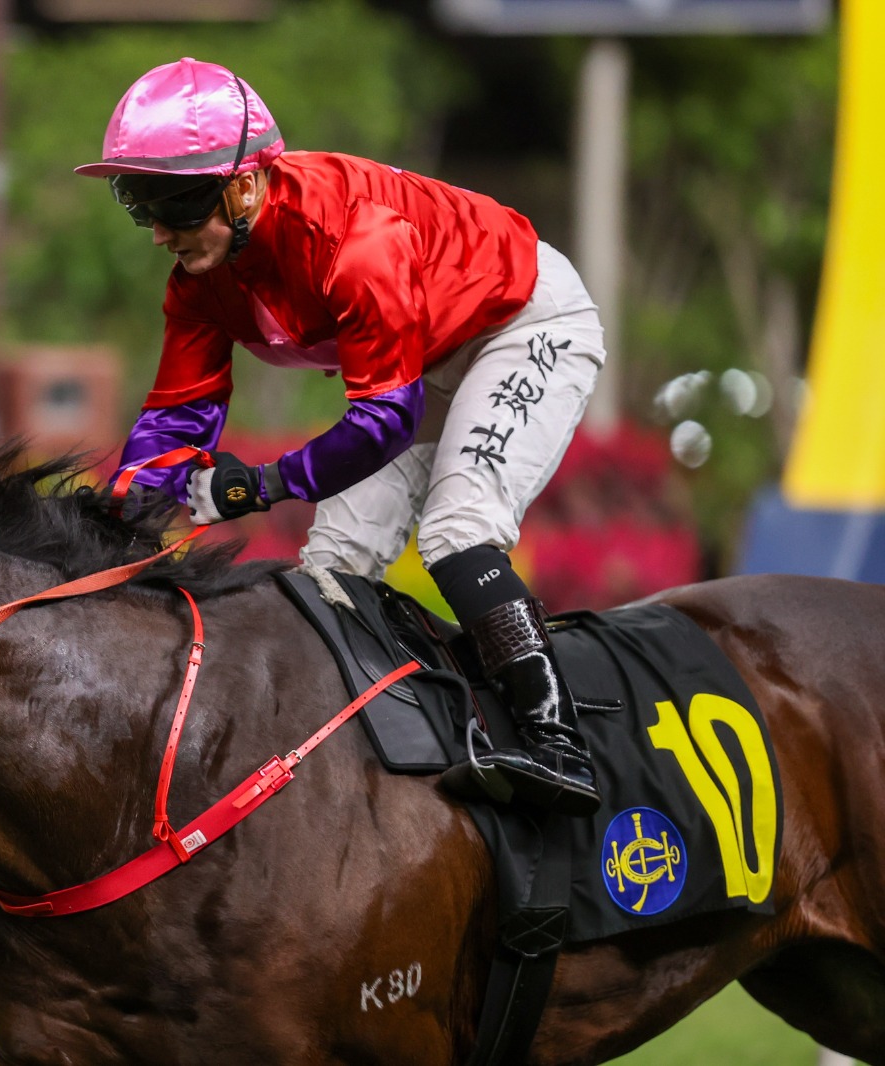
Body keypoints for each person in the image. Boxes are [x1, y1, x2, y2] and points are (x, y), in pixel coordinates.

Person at [78, 57, 607, 817]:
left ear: (246, 184)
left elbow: (384, 421)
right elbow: (173, 423)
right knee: (327, 572)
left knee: (457, 533)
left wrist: (259, 485)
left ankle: (559, 745)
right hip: (423, 356)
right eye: (142, 204)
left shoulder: (354, 240)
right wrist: (107, 535)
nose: (161, 231)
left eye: (177, 206)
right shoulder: (198, 280)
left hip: (522, 325)